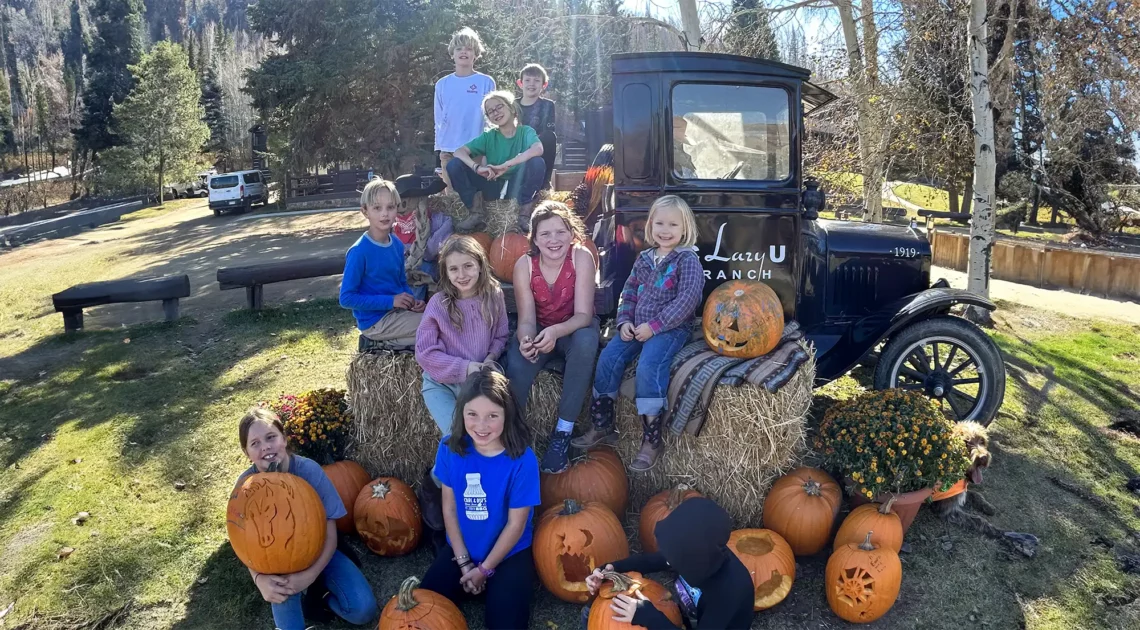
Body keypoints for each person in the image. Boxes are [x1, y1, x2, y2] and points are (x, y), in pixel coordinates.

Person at [576, 195, 705, 472]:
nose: (665, 230)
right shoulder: (645, 258)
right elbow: (629, 292)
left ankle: (651, 439)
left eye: (673, 224)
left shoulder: (687, 260)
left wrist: (654, 327)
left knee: (648, 366)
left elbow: (687, 301)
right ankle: (603, 425)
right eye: (659, 223)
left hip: (669, 328)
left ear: (685, 228)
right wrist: (624, 322)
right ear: (650, 225)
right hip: (635, 326)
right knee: (608, 357)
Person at [235, 408, 379, 630]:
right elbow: (242, 541)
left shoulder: (308, 471)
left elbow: (331, 531)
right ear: (247, 452)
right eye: (255, 443)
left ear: (284, 439)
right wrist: (259, 579)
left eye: (271, 437)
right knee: (285, 608)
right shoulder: (245, 487)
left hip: (320, 549)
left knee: (364, 610)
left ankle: (320, 598)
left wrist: (310, 575)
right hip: (275, 564)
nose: (265, 446)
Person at [420, 369, 540, 630]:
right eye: (472, 414)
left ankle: (494, 584)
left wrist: (484, 569)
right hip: (462, 548)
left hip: (508, 552)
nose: (481, 426)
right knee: (424, 607)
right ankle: (471, 580)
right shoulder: (450, 447)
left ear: (507, 415)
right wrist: (464, 563)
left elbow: (515, 525)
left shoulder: (522, 459)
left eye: (492, 416)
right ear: (461, 413)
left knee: (506, 624)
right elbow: (449, 509)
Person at [505, 201, 599, 474]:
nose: (554, 240)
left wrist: (557, 331)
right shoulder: (525, 265)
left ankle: (563, 433)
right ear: (534, 238)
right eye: (545, 234)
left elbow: (583, 314)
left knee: (586, 341)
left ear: (572, 233)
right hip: (541, 329)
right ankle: (515, 437)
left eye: (560, 232)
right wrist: (526, 339)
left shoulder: (581, 257)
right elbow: (525, 319)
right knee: (518, 362)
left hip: (572, 328)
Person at [585, 498, 753, 630]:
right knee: (596, 615)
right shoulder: (696, 555)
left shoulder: (728, 592)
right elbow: (652, 561)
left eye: (673, 557)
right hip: (691, 620)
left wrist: (649, 617)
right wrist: (610, 569)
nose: (668, 560)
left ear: (693, 559)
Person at [416, 235, 510, 435]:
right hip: (442, 384)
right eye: (454, 269)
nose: (462, 274)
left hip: (479, 381)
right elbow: (425, 352)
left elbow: (501, 335)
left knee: (485, 435)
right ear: (446, 272)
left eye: (468, 266)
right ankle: (442, 467)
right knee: (456, 436)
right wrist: (466, 367)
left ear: (480, 265)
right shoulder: (439, 304)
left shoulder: (493, 296)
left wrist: (491, 358)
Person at [339, 178, 426, 349]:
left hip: (397, 313)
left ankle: (385, 344)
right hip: (375, 321)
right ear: (365, 212)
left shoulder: (396, 244)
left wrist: (412, 301)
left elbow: (400, 282)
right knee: (433, 326)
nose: (384, 214)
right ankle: (376, 340)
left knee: (436, 326)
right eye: (377, 208)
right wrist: (390, 301)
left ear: (397, 209)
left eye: (390, 207)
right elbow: (346, 298)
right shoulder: (359, 251)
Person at [447, 90, 546, 233]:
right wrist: (477, 168)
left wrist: (507, 164)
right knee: (454, 165)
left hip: (516, 186)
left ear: (511, 107)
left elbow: (538, 148)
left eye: (499, 107)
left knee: (537, 163)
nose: (495, 113)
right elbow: (458, 152)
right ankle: (476, 212)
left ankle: (524, 214)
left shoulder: (525, 132)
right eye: (490, 111)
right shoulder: (489, 136)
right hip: (492, 183)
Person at [435, 27, 496, 191]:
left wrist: (488, 151)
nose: (464, 52)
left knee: (474, 197)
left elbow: (492, 119)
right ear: (452, 54)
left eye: (469, 48)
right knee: (452, 200)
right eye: (459, 48)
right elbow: (439, 119)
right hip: (449, 150)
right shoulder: (442, 84)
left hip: (475, 150)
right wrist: (440, 148)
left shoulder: (486, 82)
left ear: (475, 54)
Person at [393, 197, 453, 300]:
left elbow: (431, 252)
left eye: (406, 201)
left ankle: (413, 306)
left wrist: (412, 252)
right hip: (402, 266)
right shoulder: (393, 225)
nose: (403, 207)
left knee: (418, 270)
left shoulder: (437, 220)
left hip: (427, 266)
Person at [517, 63, 558, 189]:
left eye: (536, 81)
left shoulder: (548, 105)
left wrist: (533, 145)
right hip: (516, 144)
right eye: (527, 80)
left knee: (550, 137)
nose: (531, 84)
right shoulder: (513, 104)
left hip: (538, 145)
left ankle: (546, 183)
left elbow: (548, 130)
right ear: (520, 83)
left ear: (544, 85)